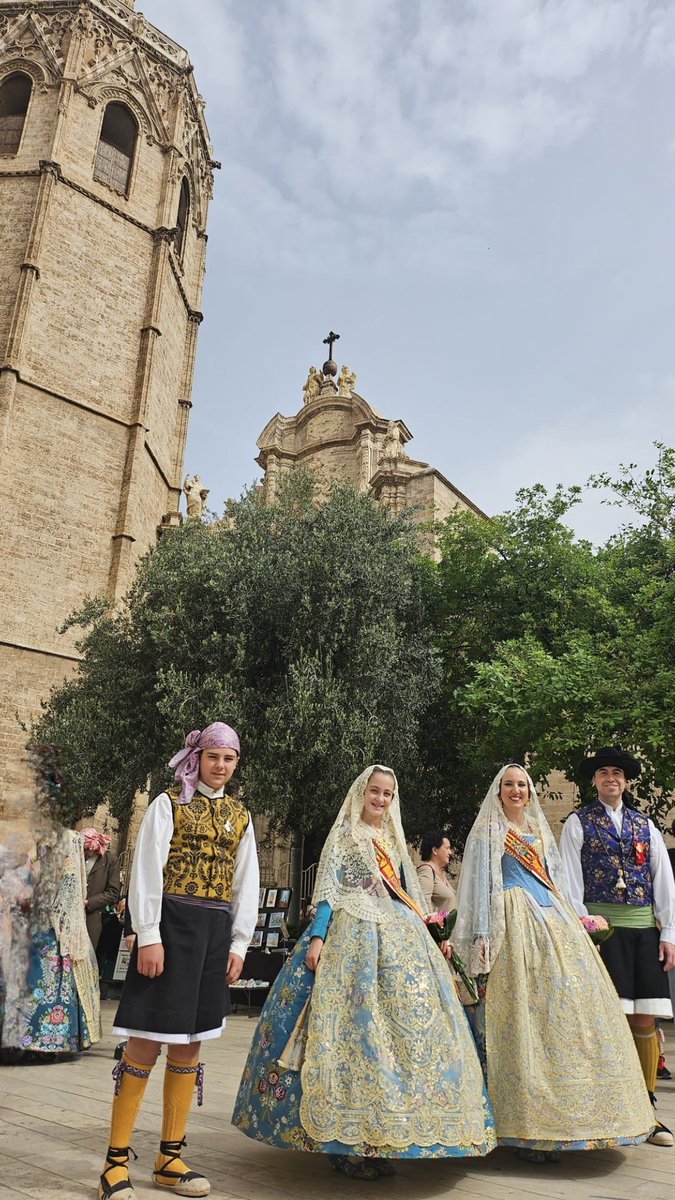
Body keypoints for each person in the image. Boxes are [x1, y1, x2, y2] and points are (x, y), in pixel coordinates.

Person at [232, 765, 496, 1177]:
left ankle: (389, 1131)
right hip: (351, 936)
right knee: (353, 1033)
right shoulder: (345, 835)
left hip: (399, 935)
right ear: (362, 793)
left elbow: (410, 897)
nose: (381, 800)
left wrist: (435, 933)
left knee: (406, 1032)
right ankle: (346, 1142)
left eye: (388, 794)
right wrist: (317, 937)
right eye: (375, 791)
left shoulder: (393, 840)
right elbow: (329, 891)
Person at [454, 763, 654, 1161]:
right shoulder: (488, 833)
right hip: (511, 922)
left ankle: (570, 1119)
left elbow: (557, 882)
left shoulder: (540, 835)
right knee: (519, 1020)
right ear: (499, 792)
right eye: (509, 785)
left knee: (563, 1013)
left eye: (522, 785)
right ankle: (522, 1128)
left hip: (553, 921)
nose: (516, 791)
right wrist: (481, 938)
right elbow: (479, 889)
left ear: (530, 792)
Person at [98, 722, 259, 1200]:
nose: (221, 766)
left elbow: (245, 882)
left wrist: (238, 944)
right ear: (198, 757)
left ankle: (169, 1158)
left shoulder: (241, 815)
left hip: (213, 935)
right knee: (145, 1044)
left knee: (189, 1047)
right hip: (169, 927)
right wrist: (147, 934)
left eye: (229, 759)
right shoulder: (168, 805)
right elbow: (147, 868)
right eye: (214, 757)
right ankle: (115, 1163)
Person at [560, 746, 675, 1147]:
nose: (611, 778)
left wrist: (669, 934)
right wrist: (583, 931)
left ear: (626, 781)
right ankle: (610, 1108)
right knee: (606, 1020)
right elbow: (570, 881)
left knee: (644, 1020)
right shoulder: (578, 823)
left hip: (643, 930)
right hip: (601, 932)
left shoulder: (647, 826)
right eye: (604, 772)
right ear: (594, 780)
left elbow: (663, 882)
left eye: (618, 773)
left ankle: (648, 1113)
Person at [1, 827, 101, 1059]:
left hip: (51, 929)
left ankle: (43, 1039)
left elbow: (63, 891)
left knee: (47, 979)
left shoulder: (65, 850)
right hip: (36, 926)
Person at [82, 827, 121, 953]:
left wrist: (89, 903)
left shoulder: (110, 861)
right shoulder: (78, 858)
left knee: (86, 956)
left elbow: (113, 892)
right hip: (71, 915)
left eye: (85, 849)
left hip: (93, 916)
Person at [417, 830, 456, 912]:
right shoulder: (426, 870)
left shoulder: (440, 872)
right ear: (435, 850)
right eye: (447, 848)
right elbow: (423, 903)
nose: (450, 852)